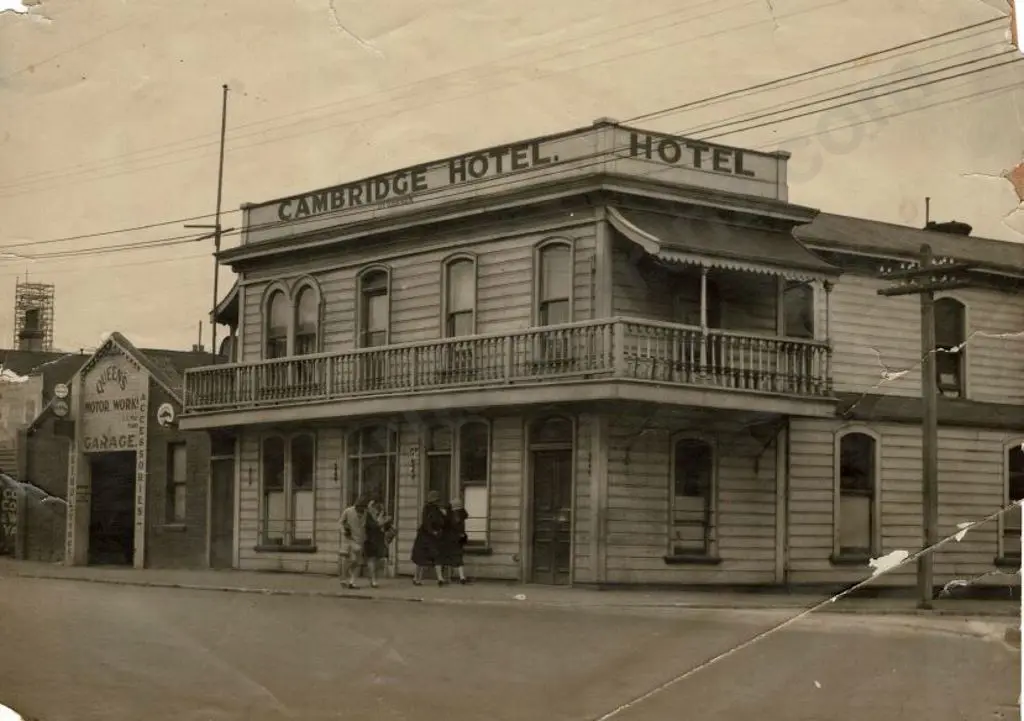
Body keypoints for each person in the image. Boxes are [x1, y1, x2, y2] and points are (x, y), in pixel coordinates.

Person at [410, 489, 446, 586]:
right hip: (426, 536)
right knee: (422, 558)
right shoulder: (428, 509)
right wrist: (433, 531)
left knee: (432, 557)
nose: (436, 502)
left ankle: (439, 578)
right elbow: (426, 523)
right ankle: (417, 578)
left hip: (430, 536)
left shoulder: (437, 510)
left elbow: (442, 522)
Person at [338, 496, 370, 589]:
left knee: (358, 562)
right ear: (356, 506)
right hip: (349, 539)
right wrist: (344, 531)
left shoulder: (365, 513)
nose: (362, 510)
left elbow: (365, 525)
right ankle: (343, 577)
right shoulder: (348, 511)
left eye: (364, 507)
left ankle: (352, 582)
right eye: (360, 507)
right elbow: (340, 523)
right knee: (352, 559)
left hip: (360, 539)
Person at [363, 499, 395, 588]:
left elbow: (386, 527)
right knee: (371, 560)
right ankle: (373, 580)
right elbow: (374, 526)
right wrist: (383, 521)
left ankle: (373, 579)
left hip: (378, 540)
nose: (375, 508)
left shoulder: (377, 515)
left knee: (376, 561)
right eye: (373, 506)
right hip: (370, 540)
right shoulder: (367, 516)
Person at [439, 498, 469, 585]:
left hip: (449, 539)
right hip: (458, 539)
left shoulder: (451, 515)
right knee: (458, 558)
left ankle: (443, 578)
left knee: (444, 557)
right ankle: (462, 577)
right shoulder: (462, 514)